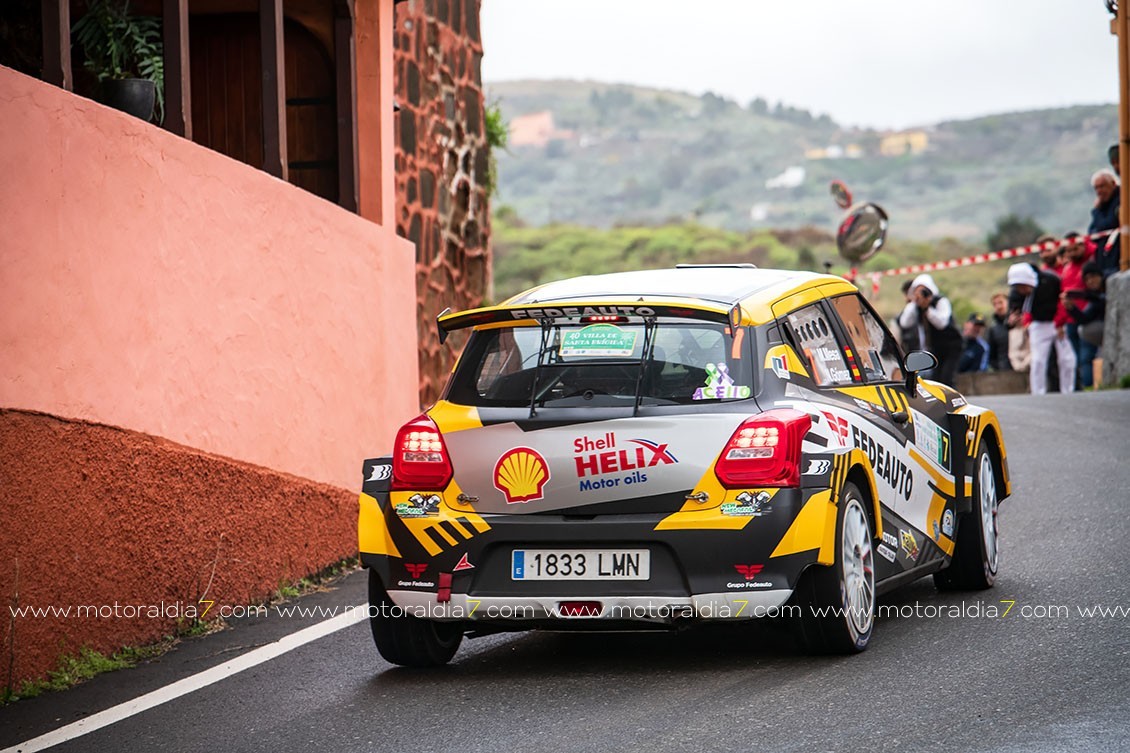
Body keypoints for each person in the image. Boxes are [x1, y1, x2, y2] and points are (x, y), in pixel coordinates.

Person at [1007, 262, 1076, 395]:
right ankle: (1038, 392)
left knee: (1066, 359)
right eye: (1018, 287)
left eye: (1023, 286)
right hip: (1038, 324)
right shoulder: (1016, 294)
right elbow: (1014, 312)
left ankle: (1068, 390)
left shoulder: (1051, 280)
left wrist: (1060, 323)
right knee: (1038, 360)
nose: (1022, 290)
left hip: (1058, 322)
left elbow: (1062, 300)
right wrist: (1013, 320)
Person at [897, 273, 962, 387]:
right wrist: (914, 302)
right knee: (936, 381)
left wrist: (928, 308)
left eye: (924, 291)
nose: (921, 295)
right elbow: (904, 322)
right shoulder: (916, 306)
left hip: (951, 346)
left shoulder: (940, 301)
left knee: (947, 378)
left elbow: (942, 324)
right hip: (934, 347)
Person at [1063, 261, 1107, 389]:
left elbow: (1104, 299)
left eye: (1093, 277)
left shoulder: (1110, 284)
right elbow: (1084, 319)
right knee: (1085, 358)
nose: (1090, 281)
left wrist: (1086, 296)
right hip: (1100, 331)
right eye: (1086, 279)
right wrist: (1072, 308)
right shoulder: (1093, 300)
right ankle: (1088, 386)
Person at [1088, 169, 1122, 278]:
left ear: (1113, 184)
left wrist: (1096, 211)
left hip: (1118, 257)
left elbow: (1108, 224)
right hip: (1105, 258)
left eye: (1102, 186)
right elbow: (1092, 233)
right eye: (1096, 188)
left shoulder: (1122, 199)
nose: (1099, 191)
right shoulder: (1102, 204)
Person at [986, 293, 1013, 371]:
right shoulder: (993, 329)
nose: (998, 307)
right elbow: (991, 354)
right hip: (1003, 370)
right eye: (995, 304)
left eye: (1001, 302)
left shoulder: (1019, 323)